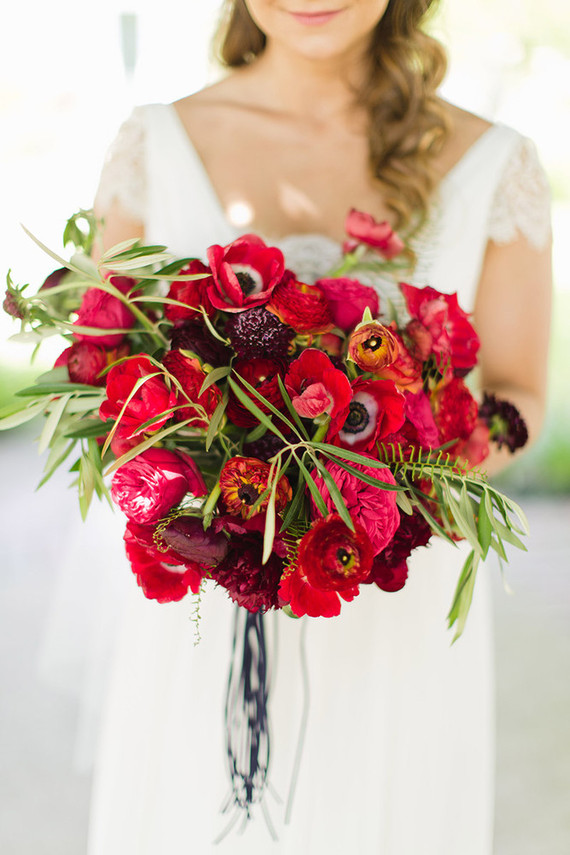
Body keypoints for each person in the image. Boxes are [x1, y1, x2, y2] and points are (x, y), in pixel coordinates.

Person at [89, 1, 552, 853]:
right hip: (207, 592)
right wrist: (206, 471)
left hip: (392, 592)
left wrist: (407, 461)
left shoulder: (494, 159)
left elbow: (522, 392)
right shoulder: (157, 141)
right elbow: (103, 366)